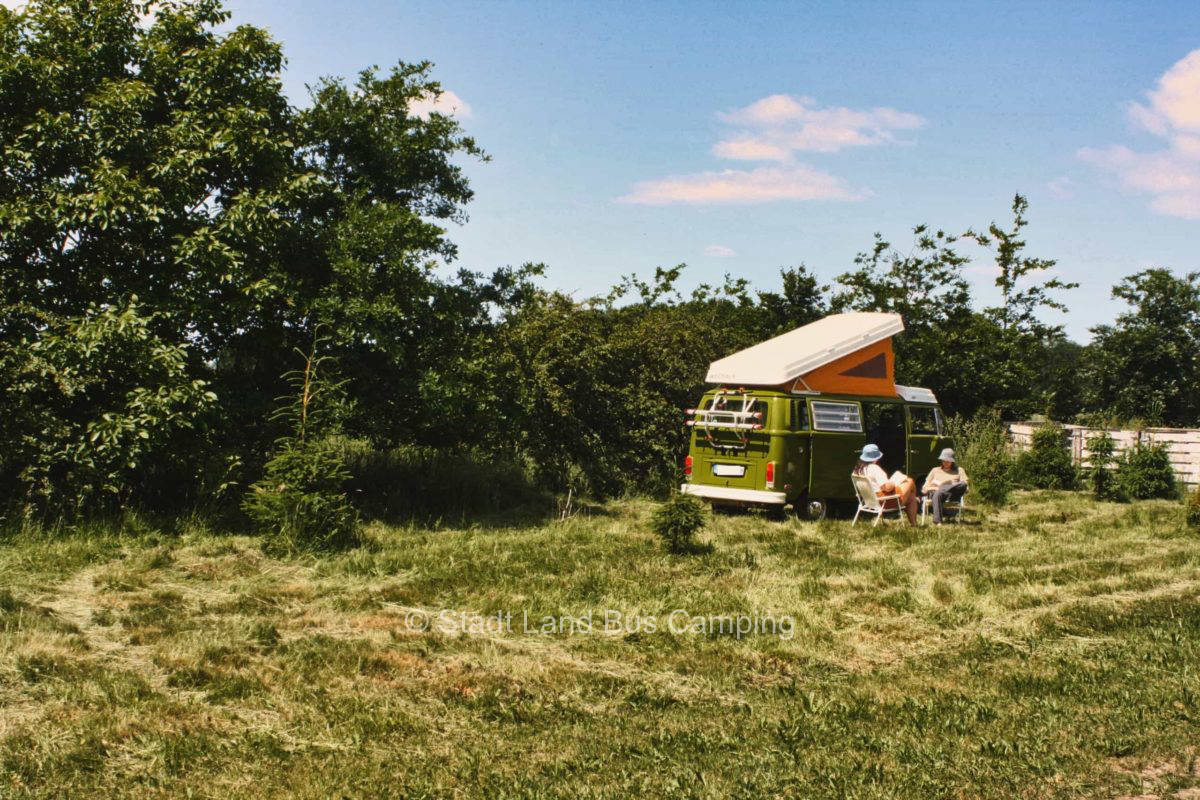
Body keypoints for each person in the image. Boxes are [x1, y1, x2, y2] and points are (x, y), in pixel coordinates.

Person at [852, 443, 918, 524]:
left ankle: (914, 524)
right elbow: (887, 488)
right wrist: (893, 483)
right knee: (909, 481)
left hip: (869, 500)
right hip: (883, 501)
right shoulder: (874, 468)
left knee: (911, 497)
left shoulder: (858, 470)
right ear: (876, 458)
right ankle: (917, 497)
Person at [922, 448, 969, 524]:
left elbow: (966, 488)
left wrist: (951, 486)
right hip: (937, 493)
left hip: (953, 494)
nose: (945, 462)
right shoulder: (935, 470)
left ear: (952, 461)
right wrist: (936, 487)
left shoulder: (959, 470)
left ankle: (943, 488)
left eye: (948, 461)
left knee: (963, 484)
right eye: (943, 460)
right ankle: (938, 522)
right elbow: (924, 489)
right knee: (938, 493)